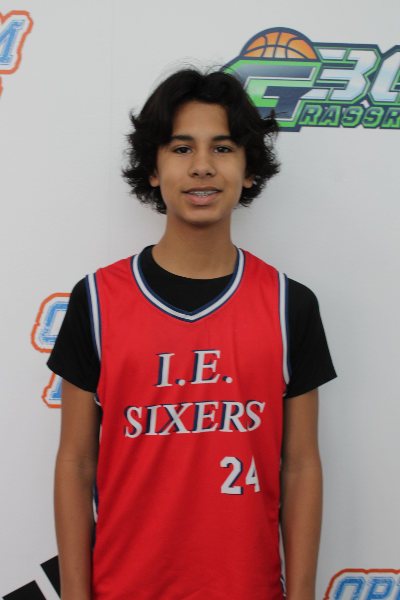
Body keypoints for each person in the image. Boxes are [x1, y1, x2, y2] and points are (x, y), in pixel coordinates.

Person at [49, 68, 337, 600]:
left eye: (222, 148)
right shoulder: (97, 300)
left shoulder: (289, 305)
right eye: (181, 148)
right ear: (152, 169)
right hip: (124, 588)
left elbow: (300, 465)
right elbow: (75, 461)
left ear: (249, 170)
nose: (202, 165)